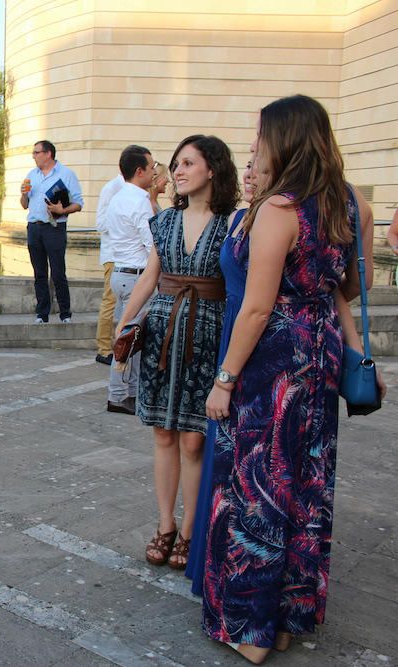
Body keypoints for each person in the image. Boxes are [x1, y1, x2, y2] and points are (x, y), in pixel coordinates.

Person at [201, 95, 379, 664]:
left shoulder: (279, 209)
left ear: (284, 138)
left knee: (257, 487)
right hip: (319, 355)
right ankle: (284, 620)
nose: (256, 143)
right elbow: (352, 287)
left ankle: (251, 633)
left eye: (262, 134)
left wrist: (224, 378)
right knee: (303, 486)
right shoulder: (345, 205)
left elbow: (255, 308)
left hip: (272, 363)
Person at [115, 134, 239, 570]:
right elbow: (151, 276)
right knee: (163, 434)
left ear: (213, 169)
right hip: (163, 331)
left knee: (193, 440)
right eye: (176, 164)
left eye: (189, 163)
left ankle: (189, 530)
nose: (179, 171)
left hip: (208, 333)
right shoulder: (164, 221)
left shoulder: (233, 224)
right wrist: (126, 325)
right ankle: (165, 525)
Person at [184, 159, 255, 596]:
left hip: (248, 336)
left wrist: (225, 378)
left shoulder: (271, 216)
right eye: (246, 163)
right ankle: (211, 567)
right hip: (233, 327)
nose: (250, 169)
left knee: (243, 468)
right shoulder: (245, 218)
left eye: (258, 160)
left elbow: (260, 305)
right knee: (222, 463)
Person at [102, 146, 155, 415]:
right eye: (152, 167)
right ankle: (118, 394)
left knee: (131, 337)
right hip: (136, 276)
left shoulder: (118, 198)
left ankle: (129, 393)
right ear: (139, 171)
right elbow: (151, 245)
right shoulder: (139, 201)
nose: (155, 172)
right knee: (128, 340)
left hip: (121, 271)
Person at [20, 139, 83, 323]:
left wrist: (62, 210)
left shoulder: (66, 174)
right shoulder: (32, 174)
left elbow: (78, 203)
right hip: (34, 227)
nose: (34, 156)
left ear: (48, 154)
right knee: (39, 273)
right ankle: (42, 313)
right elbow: (24, 205)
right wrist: (23, 194)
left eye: (36, 152)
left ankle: (65, 313)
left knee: (57, 273)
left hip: (54, 228)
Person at [94, 171, 124, 364]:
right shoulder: (112, 188)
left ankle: (117, 345)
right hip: (114, 255)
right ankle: (104, 349)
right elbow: (101, 224)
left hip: (129, 257)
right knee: (110, 301)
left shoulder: (136, 191)